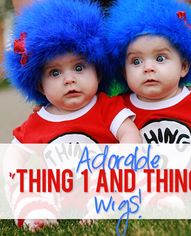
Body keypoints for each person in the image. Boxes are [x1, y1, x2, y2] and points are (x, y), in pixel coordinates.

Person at [3, 0, 141, 231]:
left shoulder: (105, 107)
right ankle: (38, 212)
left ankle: (103, 207)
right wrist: (14, 174)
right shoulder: (40, 121)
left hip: (102, 183)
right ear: (39, 85)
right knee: (30, 185)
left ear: (98, 72)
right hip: (59, 191)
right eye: (55, 72)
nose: (69, 79)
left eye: (79, 67)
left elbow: (130, 134)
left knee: (125, 182)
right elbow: (15, 153)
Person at [105, 0, 191, 143]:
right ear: (124, 72)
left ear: (184, 67)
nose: (148, 68)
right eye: (136, 61)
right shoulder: (117, 108)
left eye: (160, 58)